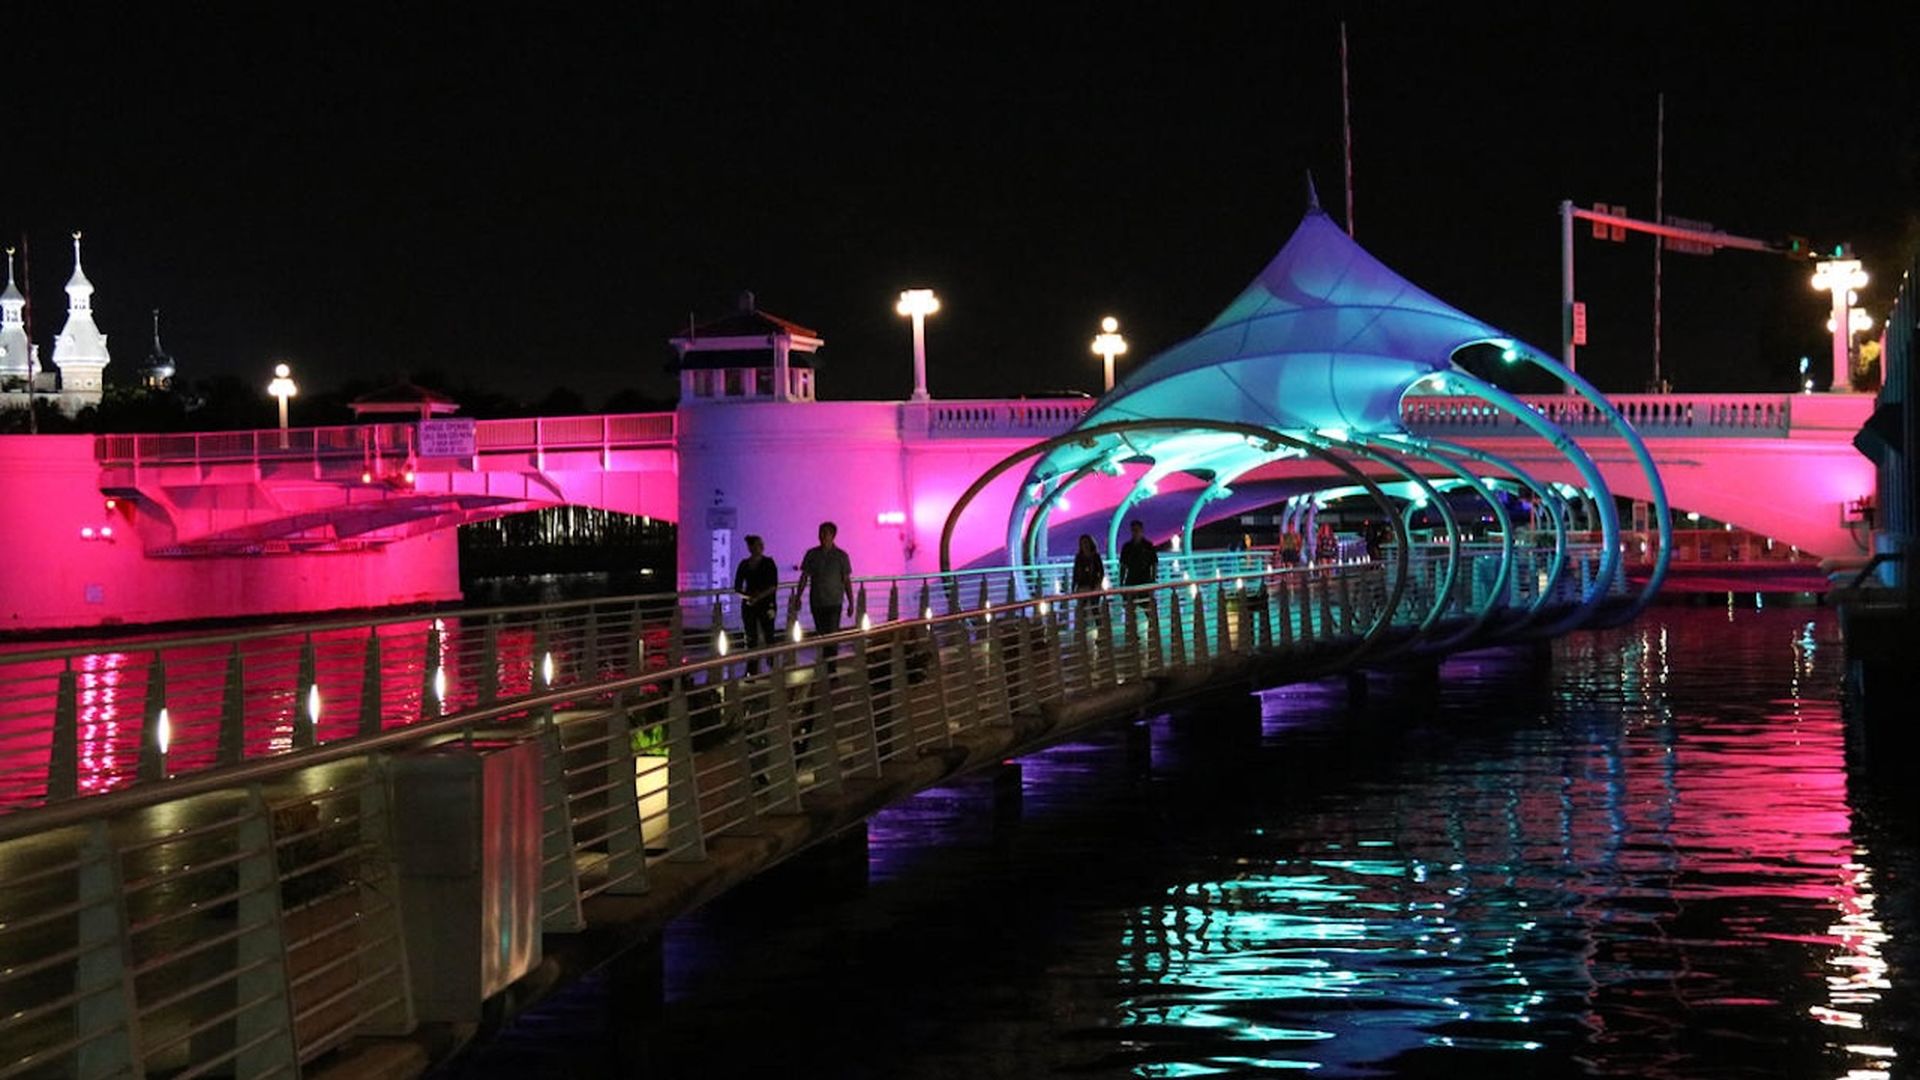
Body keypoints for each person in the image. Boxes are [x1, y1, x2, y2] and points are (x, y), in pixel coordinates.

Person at [794, 520, 855, 658]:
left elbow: (846, 580)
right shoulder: (812, 554)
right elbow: (804, 577)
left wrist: (851, 602)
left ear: (833, 535)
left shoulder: (841, 556)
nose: (821, 536)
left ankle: (830, 667)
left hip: (834, 601)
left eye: (825, 533)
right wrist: (798, 597)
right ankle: (827, 664)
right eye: (820, 533)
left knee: (832, 635)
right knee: (822, 635)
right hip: (817, 601)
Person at [733, 534, 778, 673]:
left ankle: (772, 666)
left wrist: (757, 597)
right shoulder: (744, 564)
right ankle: (752, 669)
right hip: (750, 604)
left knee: (769, 634)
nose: (762, 547)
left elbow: (773, 585)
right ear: (751, 547)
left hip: (766, 603)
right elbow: (737, 587)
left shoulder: (769, 563)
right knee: (750, 637)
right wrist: (748, 597)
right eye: (758, 544)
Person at [1118, 520, 1158, 587]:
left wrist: (1153, 580)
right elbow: (1123, 566)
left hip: (1145, 580)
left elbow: (1154, 564)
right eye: (1133, 530)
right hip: (1132, 580)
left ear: (1141, 531)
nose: (1135, 533)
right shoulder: (1126, 547)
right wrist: (1121, 582)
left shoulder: (1148, 546)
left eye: (1137, 530)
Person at [1071, 534, 1104, 612]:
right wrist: (1073, 586)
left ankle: (1097, 623)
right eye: (1082, 543)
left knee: (1095, 608)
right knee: (1082, 609)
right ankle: (1084, 623)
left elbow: (1101, 572)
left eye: (1086, 543)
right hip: (1082, 586)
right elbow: (1075, 573)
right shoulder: (1079, 557)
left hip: (1093, 585)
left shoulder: (1096, 556)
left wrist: (1098, 583)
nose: (1084, 545)